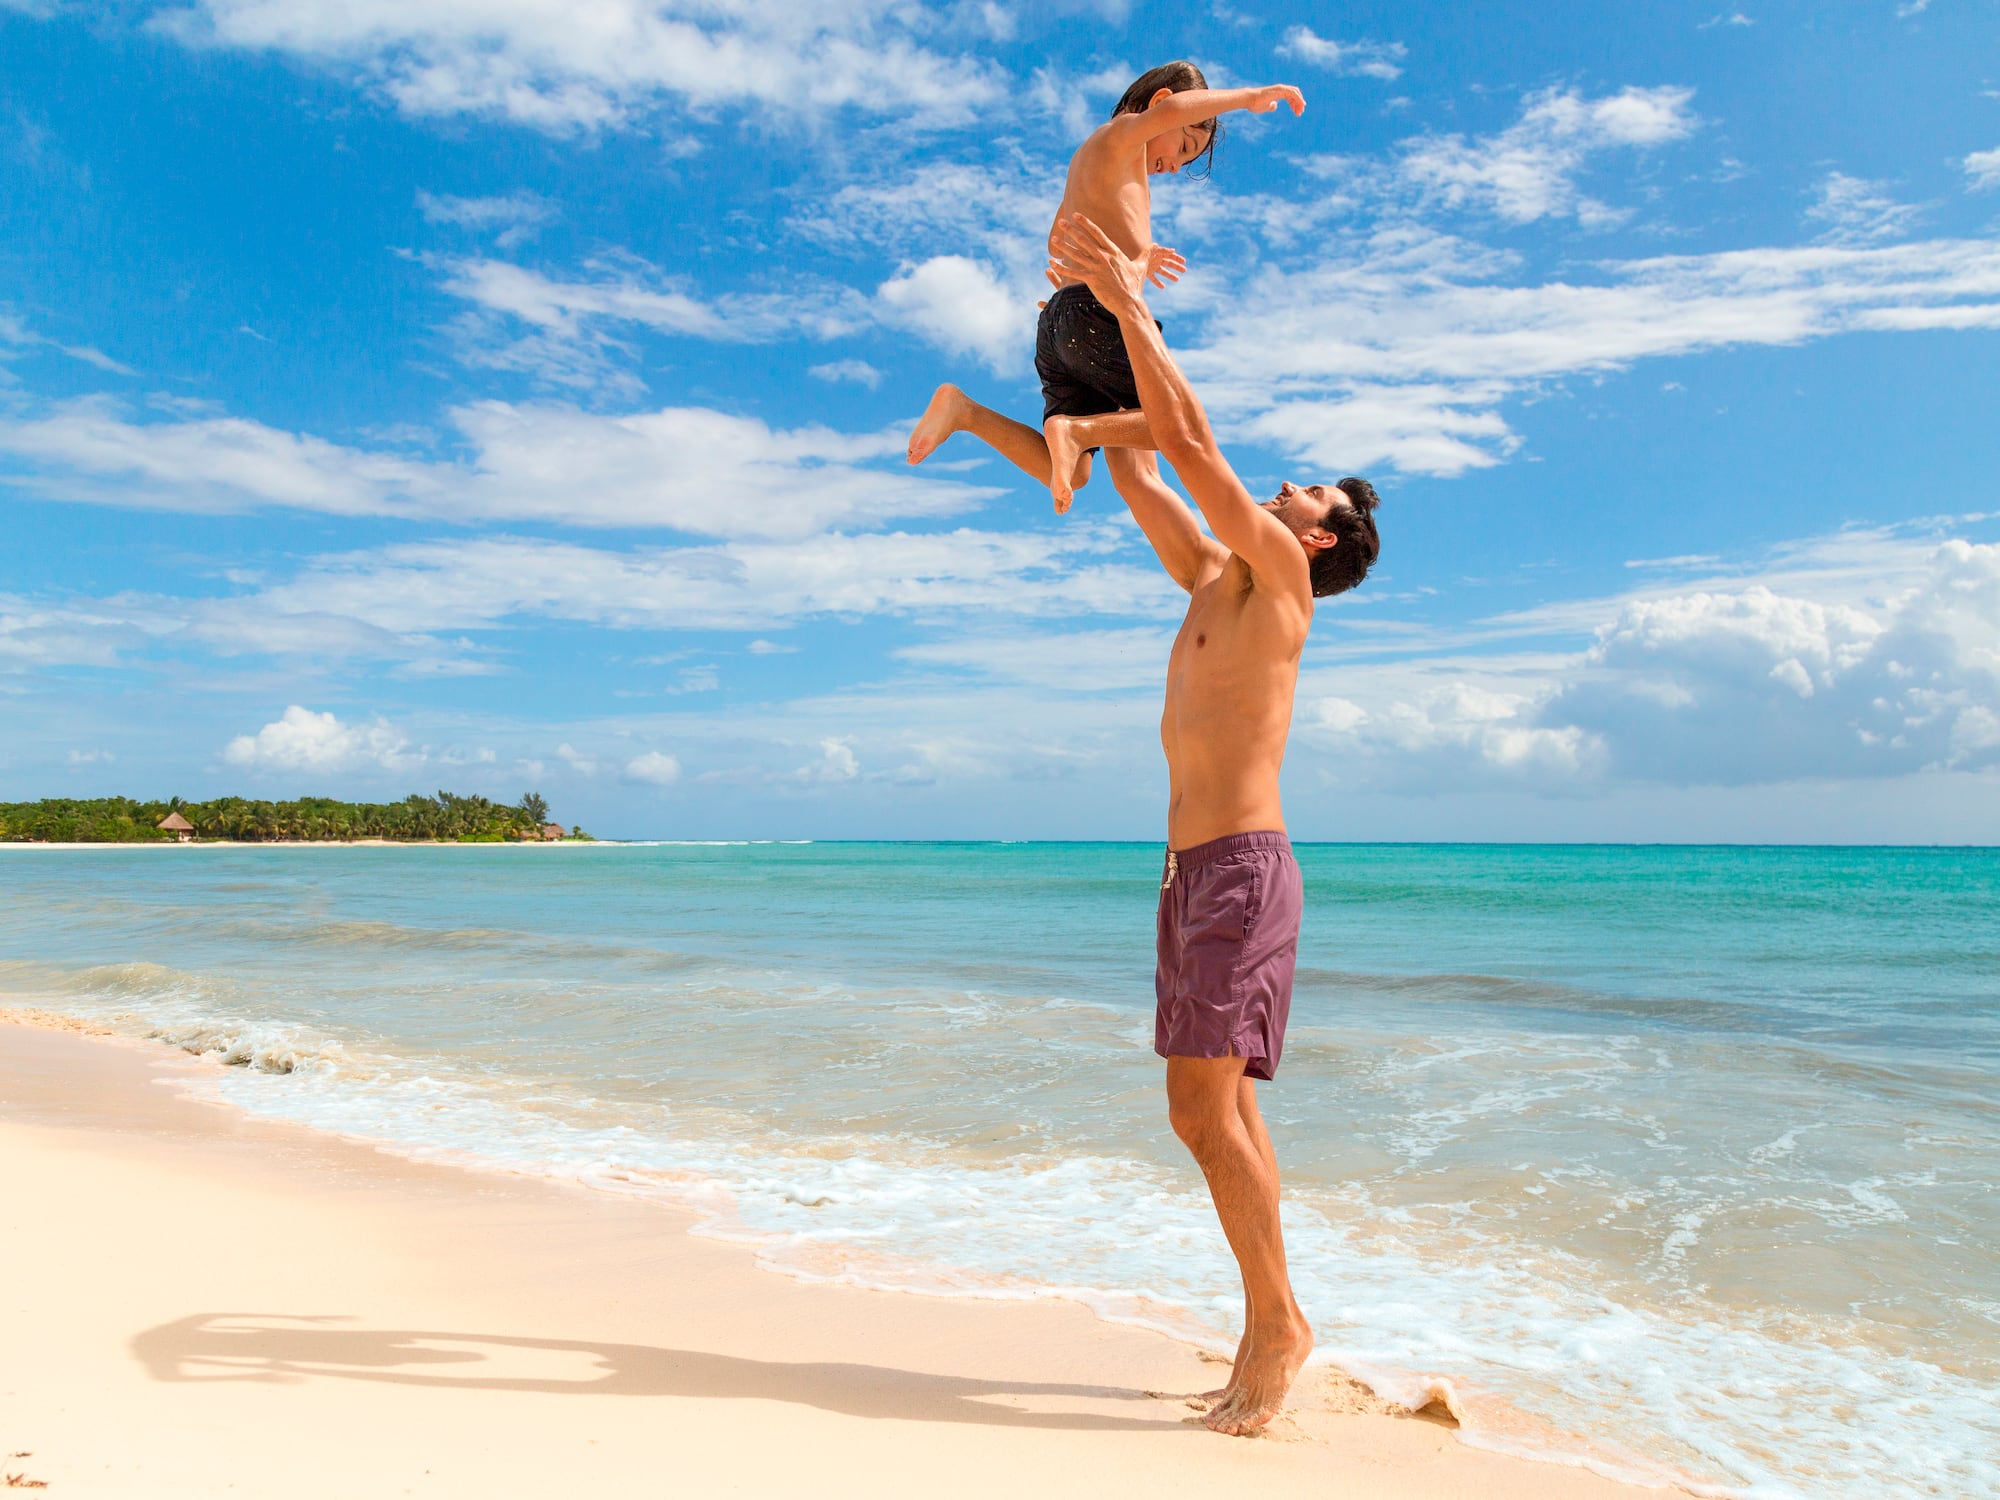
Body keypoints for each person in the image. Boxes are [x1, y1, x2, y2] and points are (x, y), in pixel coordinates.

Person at [1045, 209, 1382, 1437]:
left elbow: (1189, 443)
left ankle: (1278, 1324)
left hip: (1240, 870)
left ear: (1319, 536)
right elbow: (1143, 467)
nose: (1290, 483)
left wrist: (1136, 302)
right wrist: (1084, 357)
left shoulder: (1282, 581)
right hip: (1193, 875)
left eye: (1311, 490)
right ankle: (1268, 1320)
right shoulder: (1209, 580)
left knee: (1197, 1110)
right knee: (1224, 1110)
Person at [905, 61, 1305, 513]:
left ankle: (965, 412)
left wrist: (1128, 262)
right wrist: (1248, 97)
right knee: (1182, 429)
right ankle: (1079, 431)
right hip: (1095, 316)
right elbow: (1175, 110)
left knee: (1075, 471)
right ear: (1162, 105)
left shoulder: (1099, 160)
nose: (1174, 166)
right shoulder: (1122, 134)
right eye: (1185, 145)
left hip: (1060, 321)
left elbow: (1059, 236)